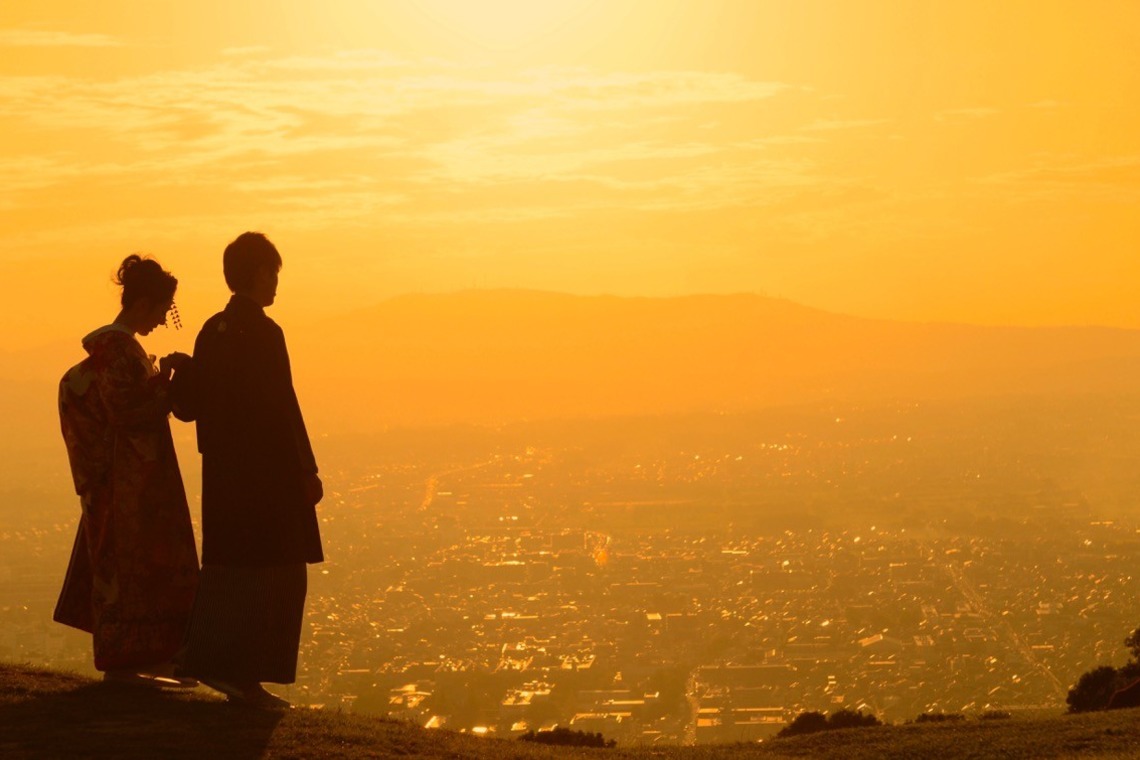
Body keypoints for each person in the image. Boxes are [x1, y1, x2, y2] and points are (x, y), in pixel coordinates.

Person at [177, 231, 323, 708]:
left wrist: (182, 374)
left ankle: (217, 664)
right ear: (260, 273)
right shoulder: (264, 332)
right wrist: (306, 470)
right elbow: (283, 406)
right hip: (268, 478)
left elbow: (191, 408)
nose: (276, 284)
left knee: (228, 570)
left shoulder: (211, 330)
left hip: (223, 478)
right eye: (274, 274)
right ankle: (248, 679)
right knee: (278, 574)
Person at [55, 255, 199, 687]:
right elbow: (127, 413)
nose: (160, 319)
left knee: (127, 571)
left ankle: (135, 658)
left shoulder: (112, 349)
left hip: (123, 481)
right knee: (133, 570)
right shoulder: (118, 350)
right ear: (143, 304)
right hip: (128, 484)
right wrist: (167, 384)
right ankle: (127, 660)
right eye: (160, 310)